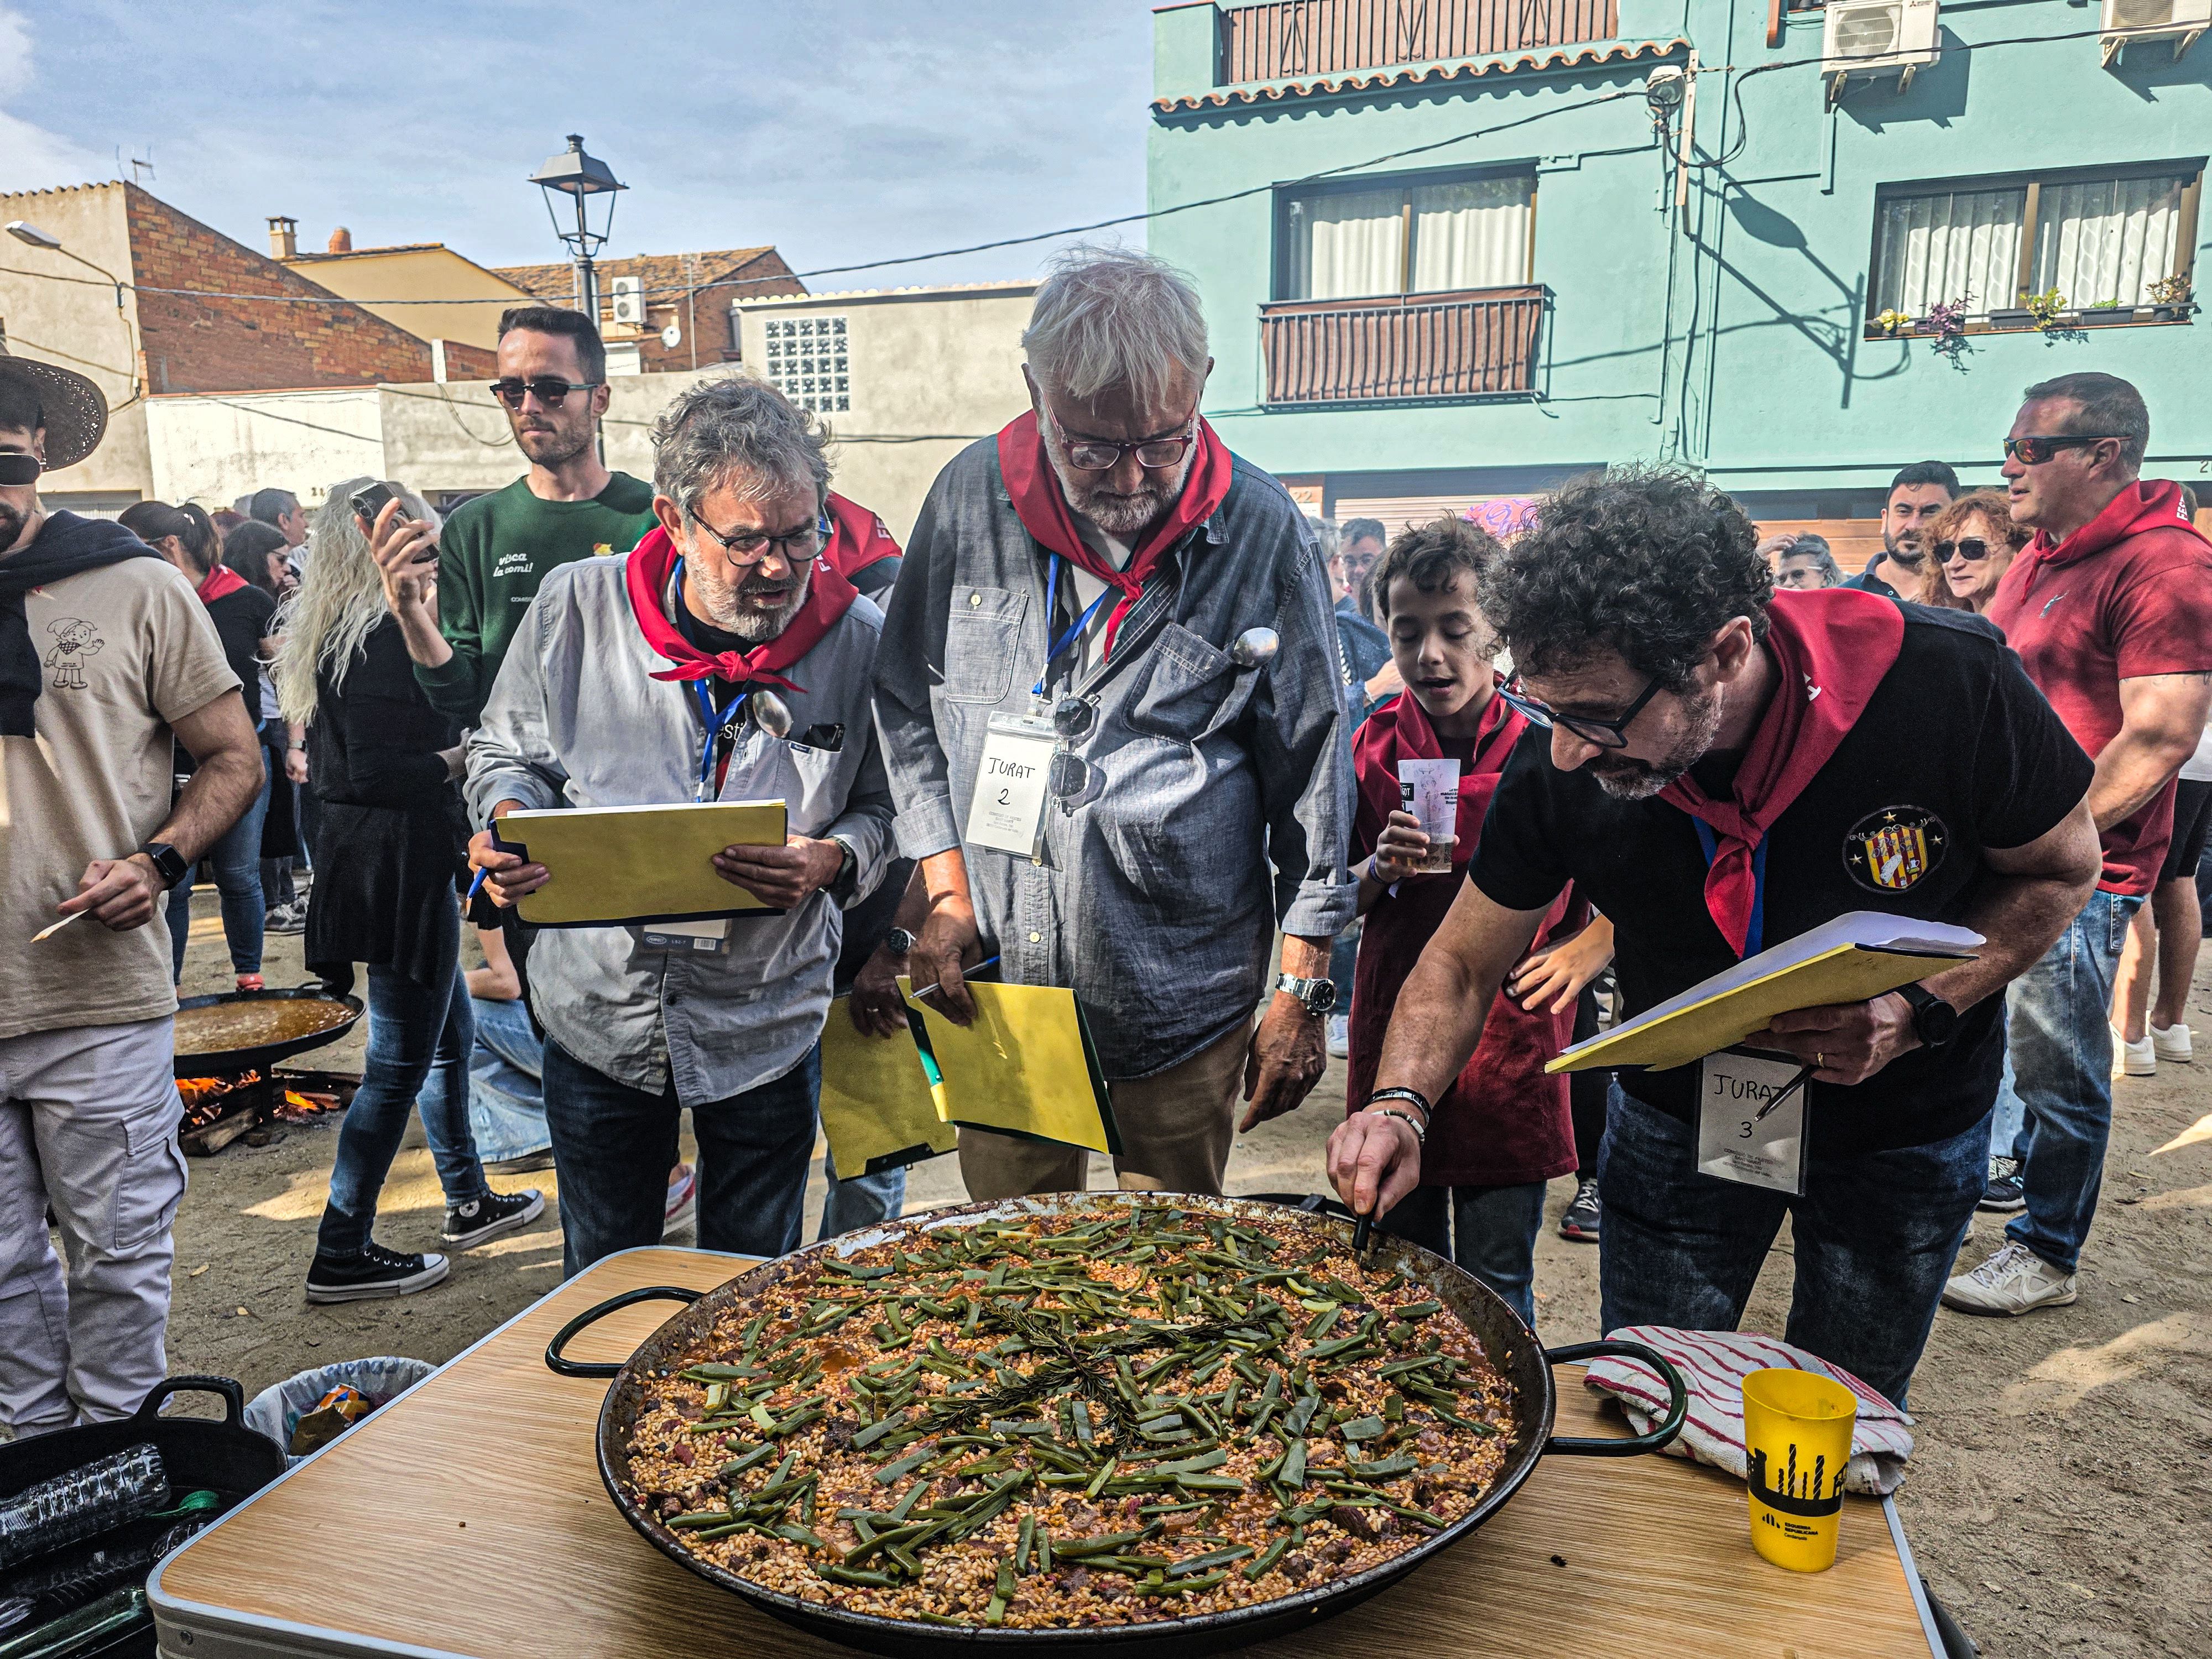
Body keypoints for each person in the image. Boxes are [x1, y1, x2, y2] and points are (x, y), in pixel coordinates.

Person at [1328, 466, 2101, 1406]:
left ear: (1725, 651)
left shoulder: (1948, 682)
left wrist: (1917, 1009)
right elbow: (1455, 963)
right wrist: (1400, 1103)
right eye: (1544, 706)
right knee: (1652, 1400)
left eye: (1599, 717)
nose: (1567, 751)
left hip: (1901, 1121)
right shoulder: (1562, 751)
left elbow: (2062, 871)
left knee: (1843, 1415)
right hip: (1686, 1115)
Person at [870, 247, 1355, 1201]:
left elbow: (1316, 780)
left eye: (1164, 442)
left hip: (1182, 992)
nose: (1132, 477)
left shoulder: (1262, 531)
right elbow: (907, 704)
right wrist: (945, 892)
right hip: (1003, 984)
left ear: (1202, 387)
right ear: (1034, 392)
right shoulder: (968, 500)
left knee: (1167, 1275)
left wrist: (1299, 988)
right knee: (1013, 1261)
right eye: (1091, 446)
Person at [465, 375, 896, 1275]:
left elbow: (893, 805)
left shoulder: (859, 640)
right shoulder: (574, 609)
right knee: (604, 1275)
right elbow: (505, 755)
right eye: (745, 542)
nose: (779, 567)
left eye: (799, 535)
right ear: (672, 520)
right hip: (597, 1012)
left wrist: (834, 857)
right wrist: (508, 823)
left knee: (749, 1287)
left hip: (767, 1021)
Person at [1, 349, 262, 1428]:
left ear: (40, 454)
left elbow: (234, 758)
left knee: (118, 1277)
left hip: (93, 998)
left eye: (2, 461)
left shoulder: (137, 582)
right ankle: (45, 1509)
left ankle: (122, 1497)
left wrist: (159, 861)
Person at [1948, 375, 2212, 1316]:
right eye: (2008, 449)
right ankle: (1960, 1210)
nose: (2009, 468)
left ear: (2104, 455)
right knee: (1976, 1045)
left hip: (2081, 873)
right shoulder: (2040, 558)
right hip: (2001, 854)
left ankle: (2048, 1250)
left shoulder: (2166, 561)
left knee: (2056, 1066)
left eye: (2028, 449)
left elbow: (2159, 737)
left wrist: (2051, 842)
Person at [275, 483, 542, 1303]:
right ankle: (342, 1246)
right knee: (396, 1064)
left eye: (426, 531)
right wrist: (461, 760)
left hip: (387, 862)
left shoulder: (350, 628)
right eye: (408, 533)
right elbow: (365, 773)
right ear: (365, 545)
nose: (428, 547)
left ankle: (466, 1198)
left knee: (445, 1038)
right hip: (392, 864)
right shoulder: (377, 638)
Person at [1343, 517, 1600, 1323]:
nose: (1430, 656)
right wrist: (1375, 870)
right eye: (1408, 632)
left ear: (1497, 632)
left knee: (1497, 1280)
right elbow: (1329, 899)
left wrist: (1590, 947)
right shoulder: (1371, 747)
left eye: (1456, 631)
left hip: (1509, 1038)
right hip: (1395, 1028)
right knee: (1396, 1268)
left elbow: (1630, 887)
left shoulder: (1553, 747)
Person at [120, 500, 274, 991]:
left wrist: (294, 742)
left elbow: (283, 675)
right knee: (174, 882)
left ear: (168, 547)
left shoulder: (245, 600)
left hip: (238, 758)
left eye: (133, 548)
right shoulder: (144, 601)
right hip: (164, 767)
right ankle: (173, 982)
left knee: (239, 876)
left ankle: (249, 975)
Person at [1319, 517, 1395, 1057]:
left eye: (1367, 559)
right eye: (1350, 560)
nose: (1357, 569)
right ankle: (1341, 1006)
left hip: (1393, 774)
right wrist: (1369, 690)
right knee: (1345, 888)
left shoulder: (1387, 617)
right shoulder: (1332, 622)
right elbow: (1314, 713)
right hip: (1344, 780)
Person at [224, 519, 310, 931]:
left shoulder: (267, 598)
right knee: (269, 821)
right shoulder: (246, 602)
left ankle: (284, 898)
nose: (284, 569)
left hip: (280, 719)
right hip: (262, 721)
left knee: (283, 820)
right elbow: (285, 661)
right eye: (279, 560)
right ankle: (274, 903)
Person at [1845, 462, 1958, 599]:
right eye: (1903, 511)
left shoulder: (1968, 597)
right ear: (1884, 520)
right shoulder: (1846, 598)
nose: (1913, 526)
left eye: (1930, 513)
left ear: (1954, 521)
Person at [1920, 489, 2029, 614]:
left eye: (1973, 548)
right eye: (1946, 551)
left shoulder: (2036, 624)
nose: (1953, 564)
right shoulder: (1950, 628)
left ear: (2019, 552)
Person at [1768, 534, 1843, 591]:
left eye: (1798, 575)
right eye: (1782, 579)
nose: (1787, 584)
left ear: (1825, 577)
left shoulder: (1845, 610)